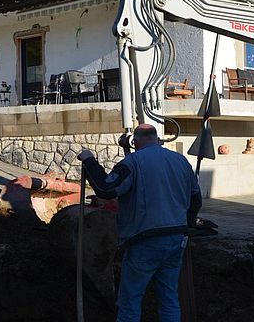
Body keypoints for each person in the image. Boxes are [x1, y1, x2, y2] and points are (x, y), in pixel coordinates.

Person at [77, 123, 202, 322]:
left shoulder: (133, 162)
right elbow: (196, 200)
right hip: (176, 240)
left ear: (135, 142)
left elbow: (105, 189)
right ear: (157, 139)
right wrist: (187, 228)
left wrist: (89, 160)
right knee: (169, 297)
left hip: (146, 240)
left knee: (130, 300)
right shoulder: (181, 161)